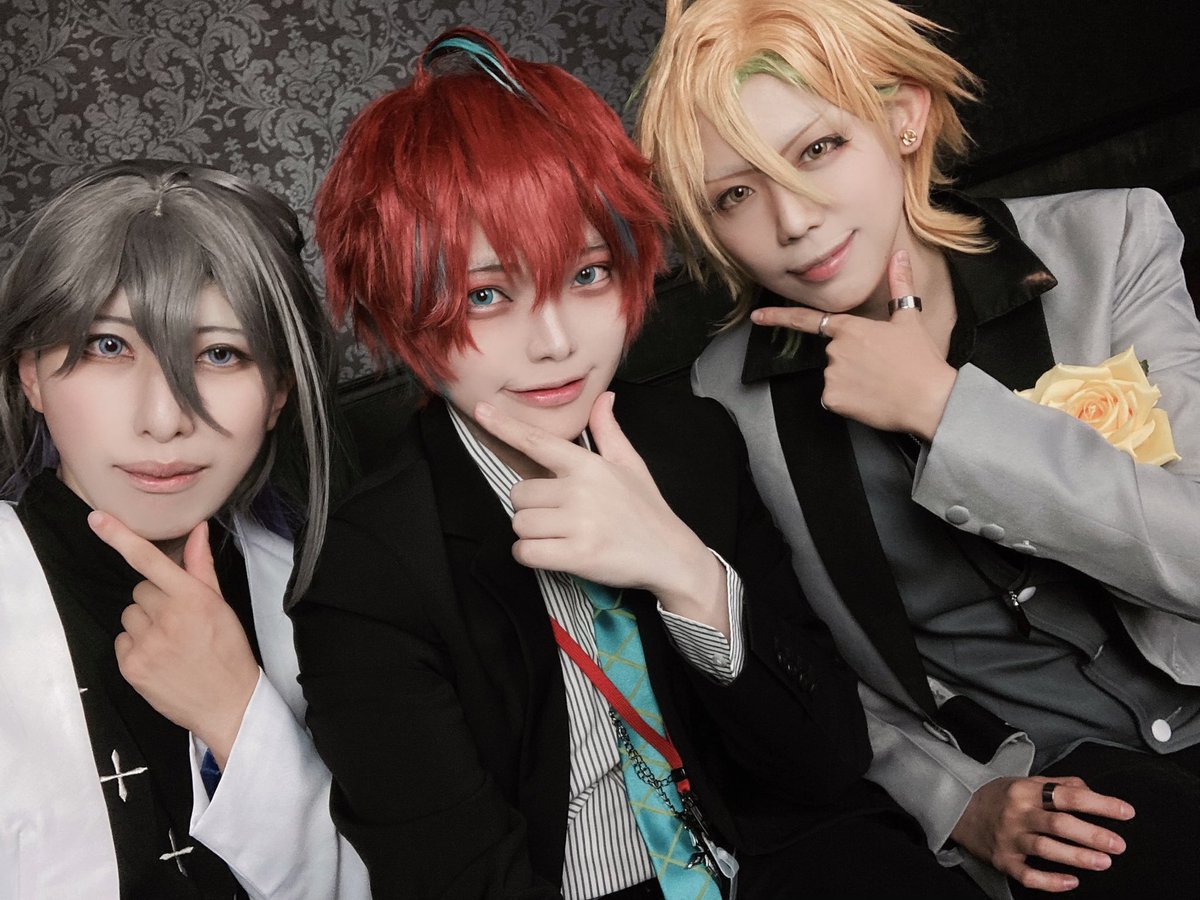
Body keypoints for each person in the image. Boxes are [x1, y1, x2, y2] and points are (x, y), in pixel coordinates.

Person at [290, 26, 983, 900]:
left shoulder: (691, 439)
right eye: (487, 295)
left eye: (587, 276)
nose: (555, 343)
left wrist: (685, 572)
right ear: (399, 316)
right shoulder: (366, 573)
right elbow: (458, 879)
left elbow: (828, 765)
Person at [636, 0, 1200, 897]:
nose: (794, 220)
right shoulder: (725, 402)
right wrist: (959, 800)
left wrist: (944, 409)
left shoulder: (1109, 243)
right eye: (735, 195)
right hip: (1065, 796)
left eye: (818, 149)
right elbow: (807, 675)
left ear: (903, 117)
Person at [0, 160, 369, 898]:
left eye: (219, 354)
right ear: (31, 372)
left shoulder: (337, 592)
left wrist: (235, 713)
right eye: (108, 346)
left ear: (278, 391)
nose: (165, 418)